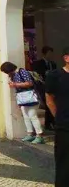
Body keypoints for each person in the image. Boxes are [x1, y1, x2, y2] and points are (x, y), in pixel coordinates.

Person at [0, 61, 44, 144]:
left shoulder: (22, 72)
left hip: (31, 97)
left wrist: (16, 85)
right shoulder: (12, 76)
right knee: (26, 116)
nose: (6, 74)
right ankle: (30, 133)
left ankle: (39, 135)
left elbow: (29, 83)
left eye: (6, 71)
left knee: (32, 115)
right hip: (22, 98)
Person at [45, 47, 69, 186]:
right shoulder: (55, 75)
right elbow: (49, 98)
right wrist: (58, 117)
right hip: (64, 126)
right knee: (64, 163)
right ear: (66, 58)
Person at [33, 46, 57, 130]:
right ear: (45, 53)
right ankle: (49, 123)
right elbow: (36, 75)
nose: (51, 55)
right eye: (49, 53)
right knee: (47, 104)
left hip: (52, 86)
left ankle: (51, 122)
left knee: (52, 103)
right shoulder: (38, 63)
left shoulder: (53, 64)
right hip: (42, 86)